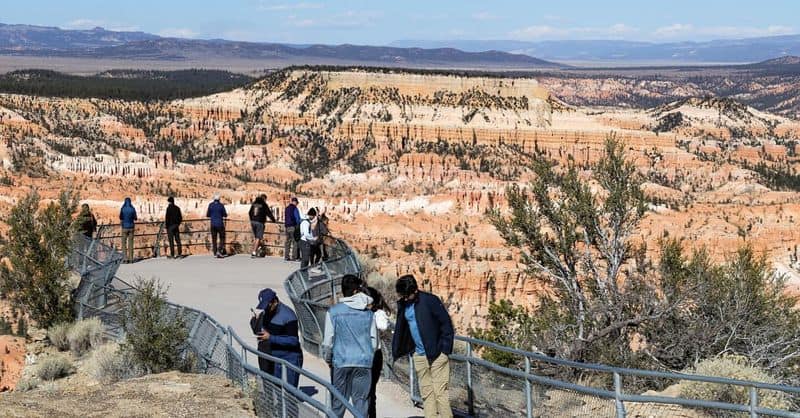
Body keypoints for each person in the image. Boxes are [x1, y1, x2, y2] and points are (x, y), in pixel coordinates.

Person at [392, 275, 454, 418]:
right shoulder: (403, 304)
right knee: (427, 393)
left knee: (440, 393)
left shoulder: (430, 301)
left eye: (407, 295)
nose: (405, 298)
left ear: (415, 290)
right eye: (403, 296)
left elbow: (446, 324)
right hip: (419, 355)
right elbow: (403, 328)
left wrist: (445, 349)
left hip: (438, 354)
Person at [322, 274, 378, 418]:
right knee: (361, 403)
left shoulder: (334, 312)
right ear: (356, 291)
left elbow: (328, 341)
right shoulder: (368, 313)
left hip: (341, 361)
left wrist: (329, 359)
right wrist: (369, 357)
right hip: (363, 362)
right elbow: (374, 342)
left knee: (338, 403)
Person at [249, 288, 303, 387]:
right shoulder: (265, 313)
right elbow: (260, 332)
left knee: (289, 394)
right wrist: (254, 322)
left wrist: (271, 338)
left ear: (274, 301)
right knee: (277, 392)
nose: (265, 309)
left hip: (290, 359)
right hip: (275, 359)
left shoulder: (288, 315)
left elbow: (293, 341)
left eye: (267, 305)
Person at [365, 286, 392, 418]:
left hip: (373, 355)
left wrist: (376, 314)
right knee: (365, 392)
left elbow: (383, 326)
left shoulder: (377, 314)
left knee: (370, 391)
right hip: (366, 354)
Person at [249, 194, 276, 258]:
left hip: (253, 222)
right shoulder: (264, 204)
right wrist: (273, 220)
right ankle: (254, 252)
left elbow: (250, 212)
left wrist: (252, 219)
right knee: (258, 237)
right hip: (260, 222)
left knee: (257, 237)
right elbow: (268, 213)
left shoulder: (254, 203)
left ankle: (260, 248)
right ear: (264, 199)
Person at [206, 193, 228, 258]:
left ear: (214, 199)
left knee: (214, 239)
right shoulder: (221, 205)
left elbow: (208, 215)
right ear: (219, 199)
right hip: (220, 224)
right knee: (222, 238)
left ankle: (215, 253)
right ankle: (219, 250)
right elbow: (225, 214)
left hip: (212, 224)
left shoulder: (210, 205)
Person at [119, 197, 137, 263]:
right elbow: (135, 218)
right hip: (131, 227)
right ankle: (131, 259)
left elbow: (120, 217)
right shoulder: (132, 209)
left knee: (124, 243)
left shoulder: (123, 209)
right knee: (131, 243)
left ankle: (125, 259)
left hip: (124, 227)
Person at [284, 197, 301, 261]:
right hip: (293, 227)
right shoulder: (295, 208)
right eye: (297, 203)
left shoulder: (287, 208)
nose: (297, 204)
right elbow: (297, 219)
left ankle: (286, 256)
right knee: (295, 242)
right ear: (295, 202)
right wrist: (298, 224)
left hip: (287, 227)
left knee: (288, 242)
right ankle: (294, 257)